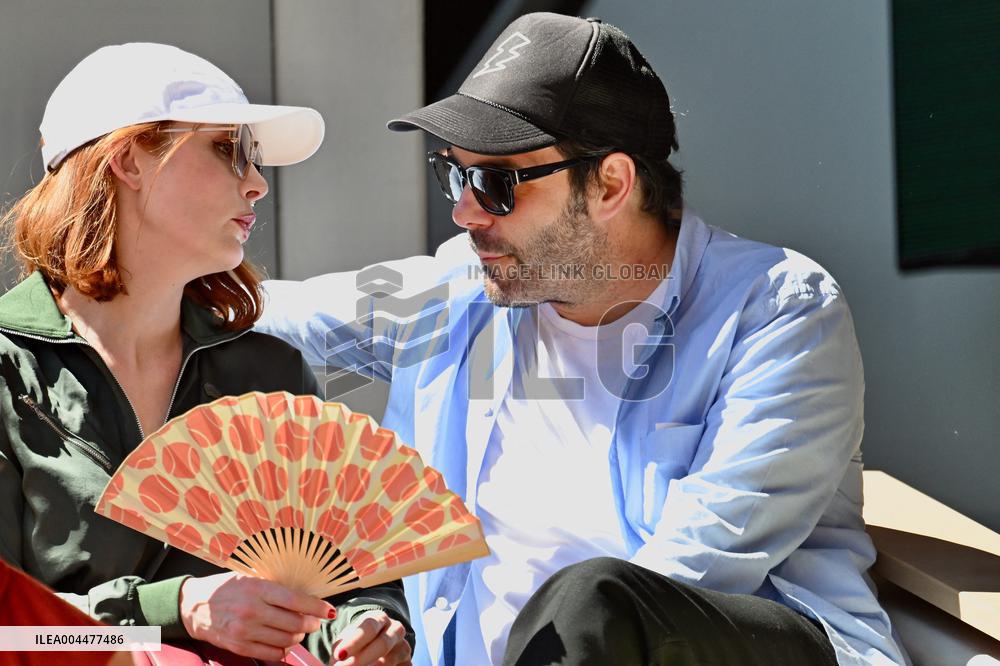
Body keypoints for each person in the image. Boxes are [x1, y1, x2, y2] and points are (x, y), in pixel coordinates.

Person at [257, 12, 909, 666]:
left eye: (496, 183)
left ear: (610, 185)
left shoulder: (775, 310)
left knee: (593, 598)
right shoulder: (459, 292)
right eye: (453, 174)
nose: (463, 212)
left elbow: (698, 565)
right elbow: (268, 313)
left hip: (716, 650)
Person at [0, 43, 412, 666]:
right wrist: (179, 609)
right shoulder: (6, 369)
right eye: (229, 150)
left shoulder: (272, 373)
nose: (257, 182)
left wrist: (366, 628)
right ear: (129, 159)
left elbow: (351, 578)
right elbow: (17, 636)